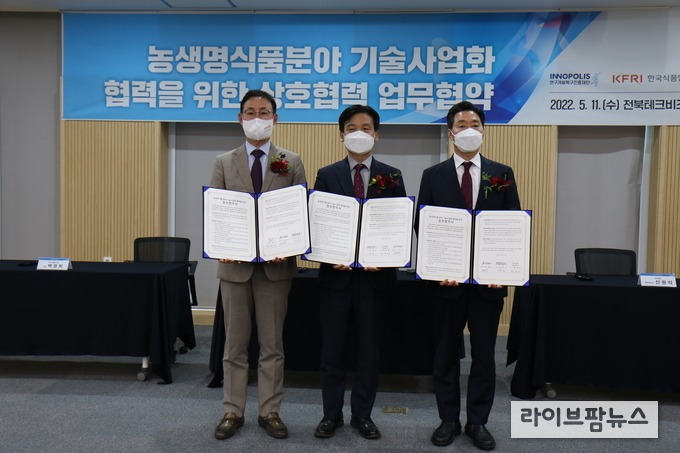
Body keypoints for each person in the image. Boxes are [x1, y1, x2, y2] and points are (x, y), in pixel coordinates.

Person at [416, 101, 520, 450]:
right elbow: (423, 225)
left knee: (485, 356)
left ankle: (477, 421)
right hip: (446, 283)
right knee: (445, 354)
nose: (468, 129)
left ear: (484, 131)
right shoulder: (433, 175)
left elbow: (511, 225)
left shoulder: (501, 173)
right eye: (461, 124)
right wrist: (438, 267)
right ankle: (448, 419)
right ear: (450, 133)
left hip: (488, 285)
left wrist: (501, 268)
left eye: (474, 123)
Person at [210, 89, 306, 440]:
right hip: (234, 268)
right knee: (234, 346)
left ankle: (270, 411)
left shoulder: (291, 161)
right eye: (250, 112)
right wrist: (219, 244)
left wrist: (290, 245)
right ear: (240, 119)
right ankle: (232, 411)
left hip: (275, 269)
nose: (257, 119)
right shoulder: (224, 161)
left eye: (264, 112)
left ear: (274, 119)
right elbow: (217, 211)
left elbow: (298, 213)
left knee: (272, 346)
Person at [312, 105, 406, 440]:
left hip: (375, 279)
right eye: (352, 128)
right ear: (341, 135)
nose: (359, 133)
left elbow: (399, 224)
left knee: (369, 352)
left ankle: (362, 415)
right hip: (336, 279)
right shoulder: (327, 174)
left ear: (376, 135)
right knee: (332, 352)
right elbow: (318, 222)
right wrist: (327, 254)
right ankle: (331, 414)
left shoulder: (392, 175)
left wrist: (387, 257)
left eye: (366, 128)